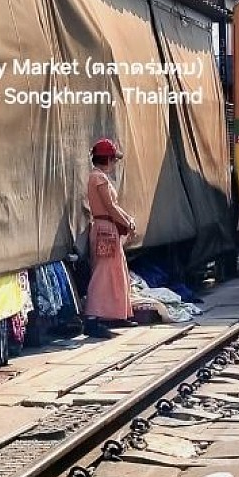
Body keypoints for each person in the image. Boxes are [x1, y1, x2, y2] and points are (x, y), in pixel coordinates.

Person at [83, 138, 136, 340]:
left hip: (106, 228)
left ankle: (115, 313)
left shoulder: (97, 177)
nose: (115, 163)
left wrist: (127, 219)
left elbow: (113, 207)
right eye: (113, 159)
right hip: (106, 228)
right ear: (108, 159)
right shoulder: (99, 179)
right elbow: (111, 207)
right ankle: (92, 318)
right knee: (104, 273)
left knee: (114, 270)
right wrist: (128, 222)